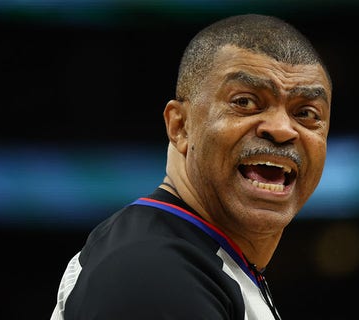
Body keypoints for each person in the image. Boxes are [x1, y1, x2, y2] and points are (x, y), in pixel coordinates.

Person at [50, 13, 332, 320]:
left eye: (306, 112)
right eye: (245, 102)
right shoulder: (151, 269)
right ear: (180, 126)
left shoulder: (203, 261)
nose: (282, 129)